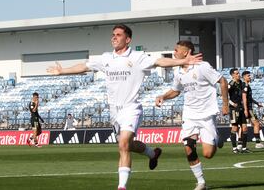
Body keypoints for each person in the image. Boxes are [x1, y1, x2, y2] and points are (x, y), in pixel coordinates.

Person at [47, 24, 203, 190]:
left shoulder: (137, 57)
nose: (114, 37)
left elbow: (159, 61)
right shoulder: (106, 58)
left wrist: (182, 61)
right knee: (128, 144)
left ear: (127, 39)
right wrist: (62, 71)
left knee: (123, 145)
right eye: (113, 34)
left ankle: (122, 186)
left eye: (118, 35)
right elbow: (84, 66)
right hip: (114, 111)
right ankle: (152, 153)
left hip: (131, 108)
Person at [155, 40, 228, 190]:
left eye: (176, 50)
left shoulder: (202, 67)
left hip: (207, 114)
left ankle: (217, 136)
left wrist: (225, 104)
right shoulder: (178, 71)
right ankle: (201, 182)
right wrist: (163, 96)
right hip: (189, 114)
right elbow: (176, 90)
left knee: (208, 154)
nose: (174, 52)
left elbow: (223, 81)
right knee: (188, 147)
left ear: (186, 52)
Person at [241, 71, 264, 149]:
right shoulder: (245, 86)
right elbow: (244, 97)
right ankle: (257, 143)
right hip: (248, 108)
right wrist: (246, 109)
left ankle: (240, 144)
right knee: (256, 124)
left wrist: (257, 103)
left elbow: (249, 98)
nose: (250, 77)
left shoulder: (246, 85)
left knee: (244, 126)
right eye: (248, 76)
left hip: (246, 108)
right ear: (244, 77)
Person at [228, 68, 250, 153]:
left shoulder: (241, 83)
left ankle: (244, 148)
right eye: (236, 74)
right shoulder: (231, 84)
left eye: (238, 73)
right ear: (233, 75)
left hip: (241, 108)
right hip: (234, 109)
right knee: (234, 127)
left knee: (244, 128)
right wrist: (232, 103)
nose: (238, 75)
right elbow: (224, 95)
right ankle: (234, 148)